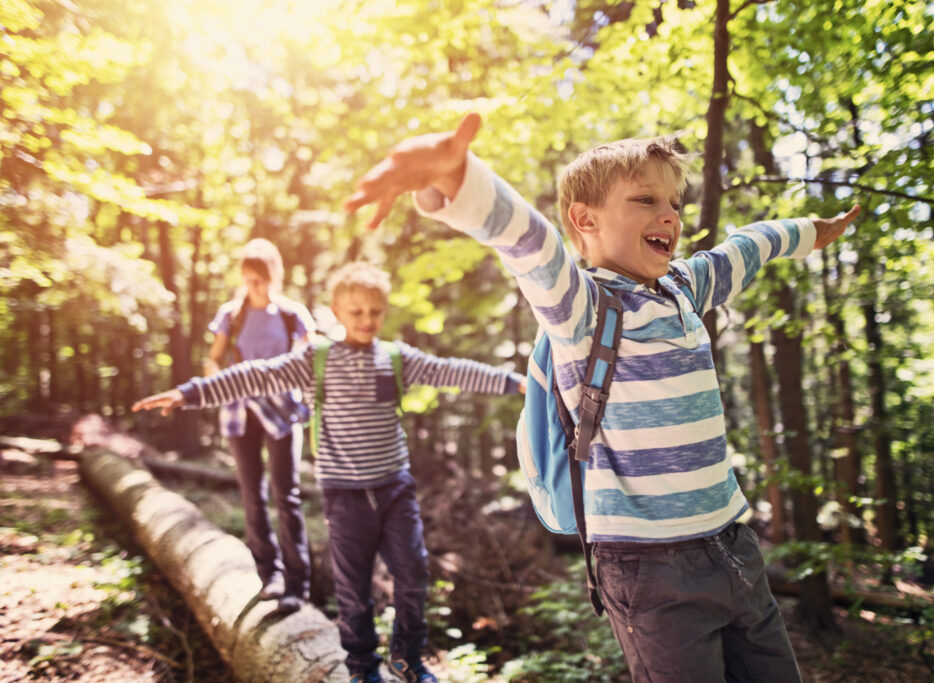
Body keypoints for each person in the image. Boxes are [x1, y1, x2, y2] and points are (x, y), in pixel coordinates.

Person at [342, 113, 860, 682]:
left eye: (674, 203)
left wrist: (814, 231)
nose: (669, 215)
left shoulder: (684, 288)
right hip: (650, 568)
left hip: (734, 545)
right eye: (645, 200)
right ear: (585, 220)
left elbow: (749, 246)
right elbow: (529, 241)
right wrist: (460, 178)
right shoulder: (582, 310)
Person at [134, 261, 526, 683]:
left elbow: (451, 370)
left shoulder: (395, 358)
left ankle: (406, 659)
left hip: (395, 488)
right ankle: (361, 669)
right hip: (345, 495)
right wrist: (189, 393)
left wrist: (516, 383)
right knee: (354, 591)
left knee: (413, 573)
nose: (367, 321)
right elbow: (255, 375)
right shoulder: (315, 360)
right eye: (356, 312)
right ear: (337, 313)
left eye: (375, 312)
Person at [206, 237, 315, 615]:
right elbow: (214, 360)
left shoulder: (292, 315)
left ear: (275, 276)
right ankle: (270, 574)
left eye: (262, 279)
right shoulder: (230, 316)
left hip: (284, 414)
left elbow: (310, 361)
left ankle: (297, 585)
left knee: (287, 495)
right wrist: (221, 383)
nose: (256, 287)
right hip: (241, 415)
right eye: (250, 279)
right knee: (253, 494)